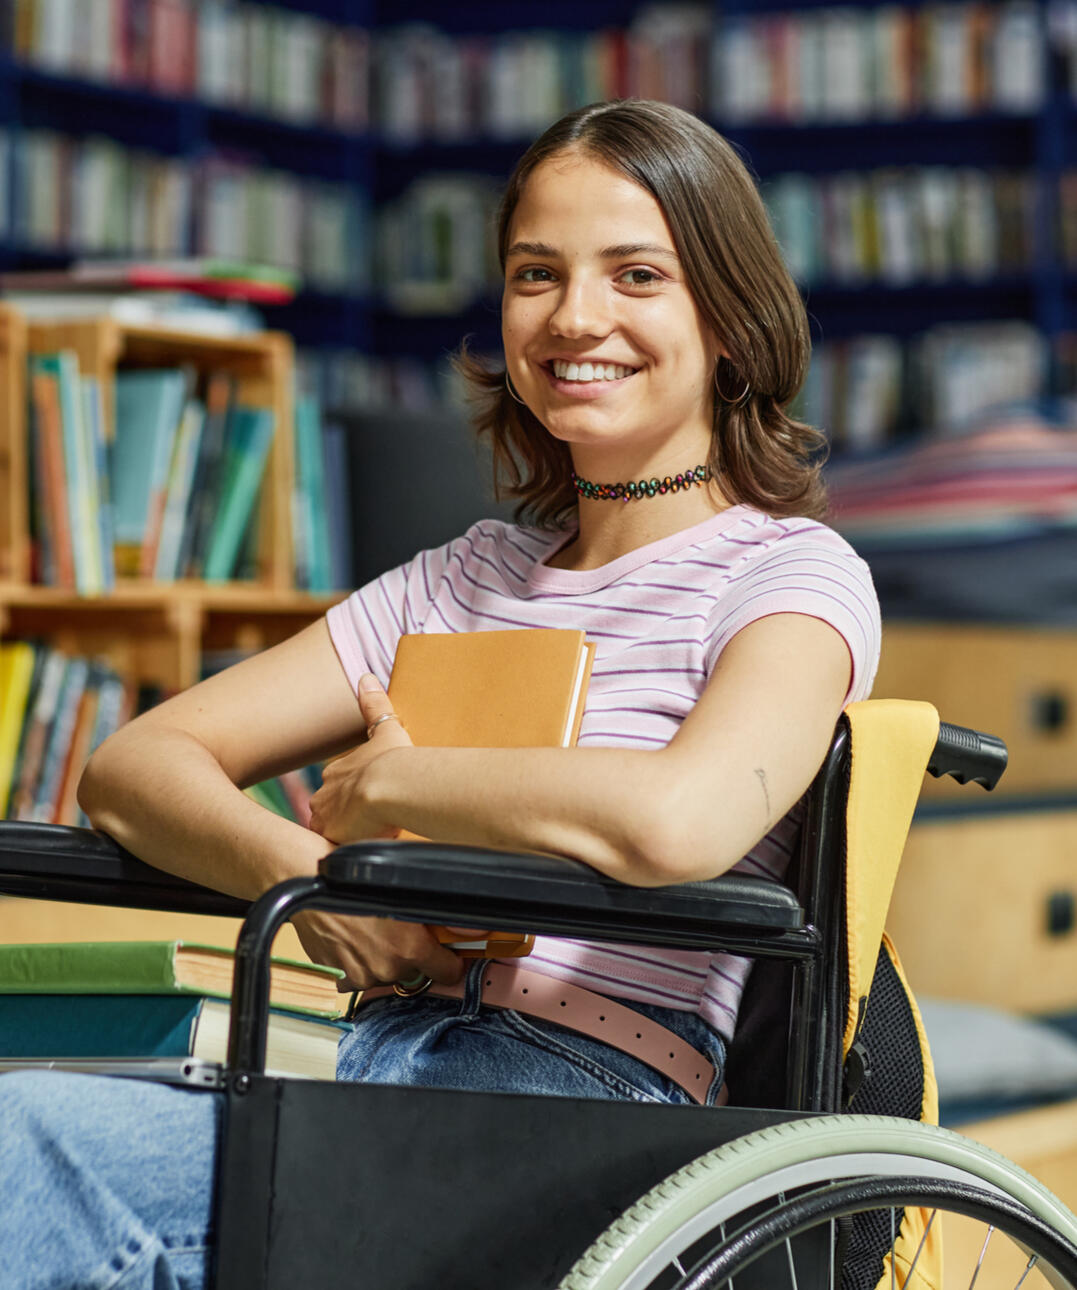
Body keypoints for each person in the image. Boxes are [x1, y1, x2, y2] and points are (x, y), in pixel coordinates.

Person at [0, 98, 880, 1289]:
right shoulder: (462, 577)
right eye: (536, 274)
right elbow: (136, 765)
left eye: (636, 275)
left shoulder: (789, 575)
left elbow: (681, 820)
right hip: (371, 1063)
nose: (576, 318)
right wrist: (308, 882)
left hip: (585, 1108)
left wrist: (395, 785)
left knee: (33, 1156)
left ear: (727, 316)